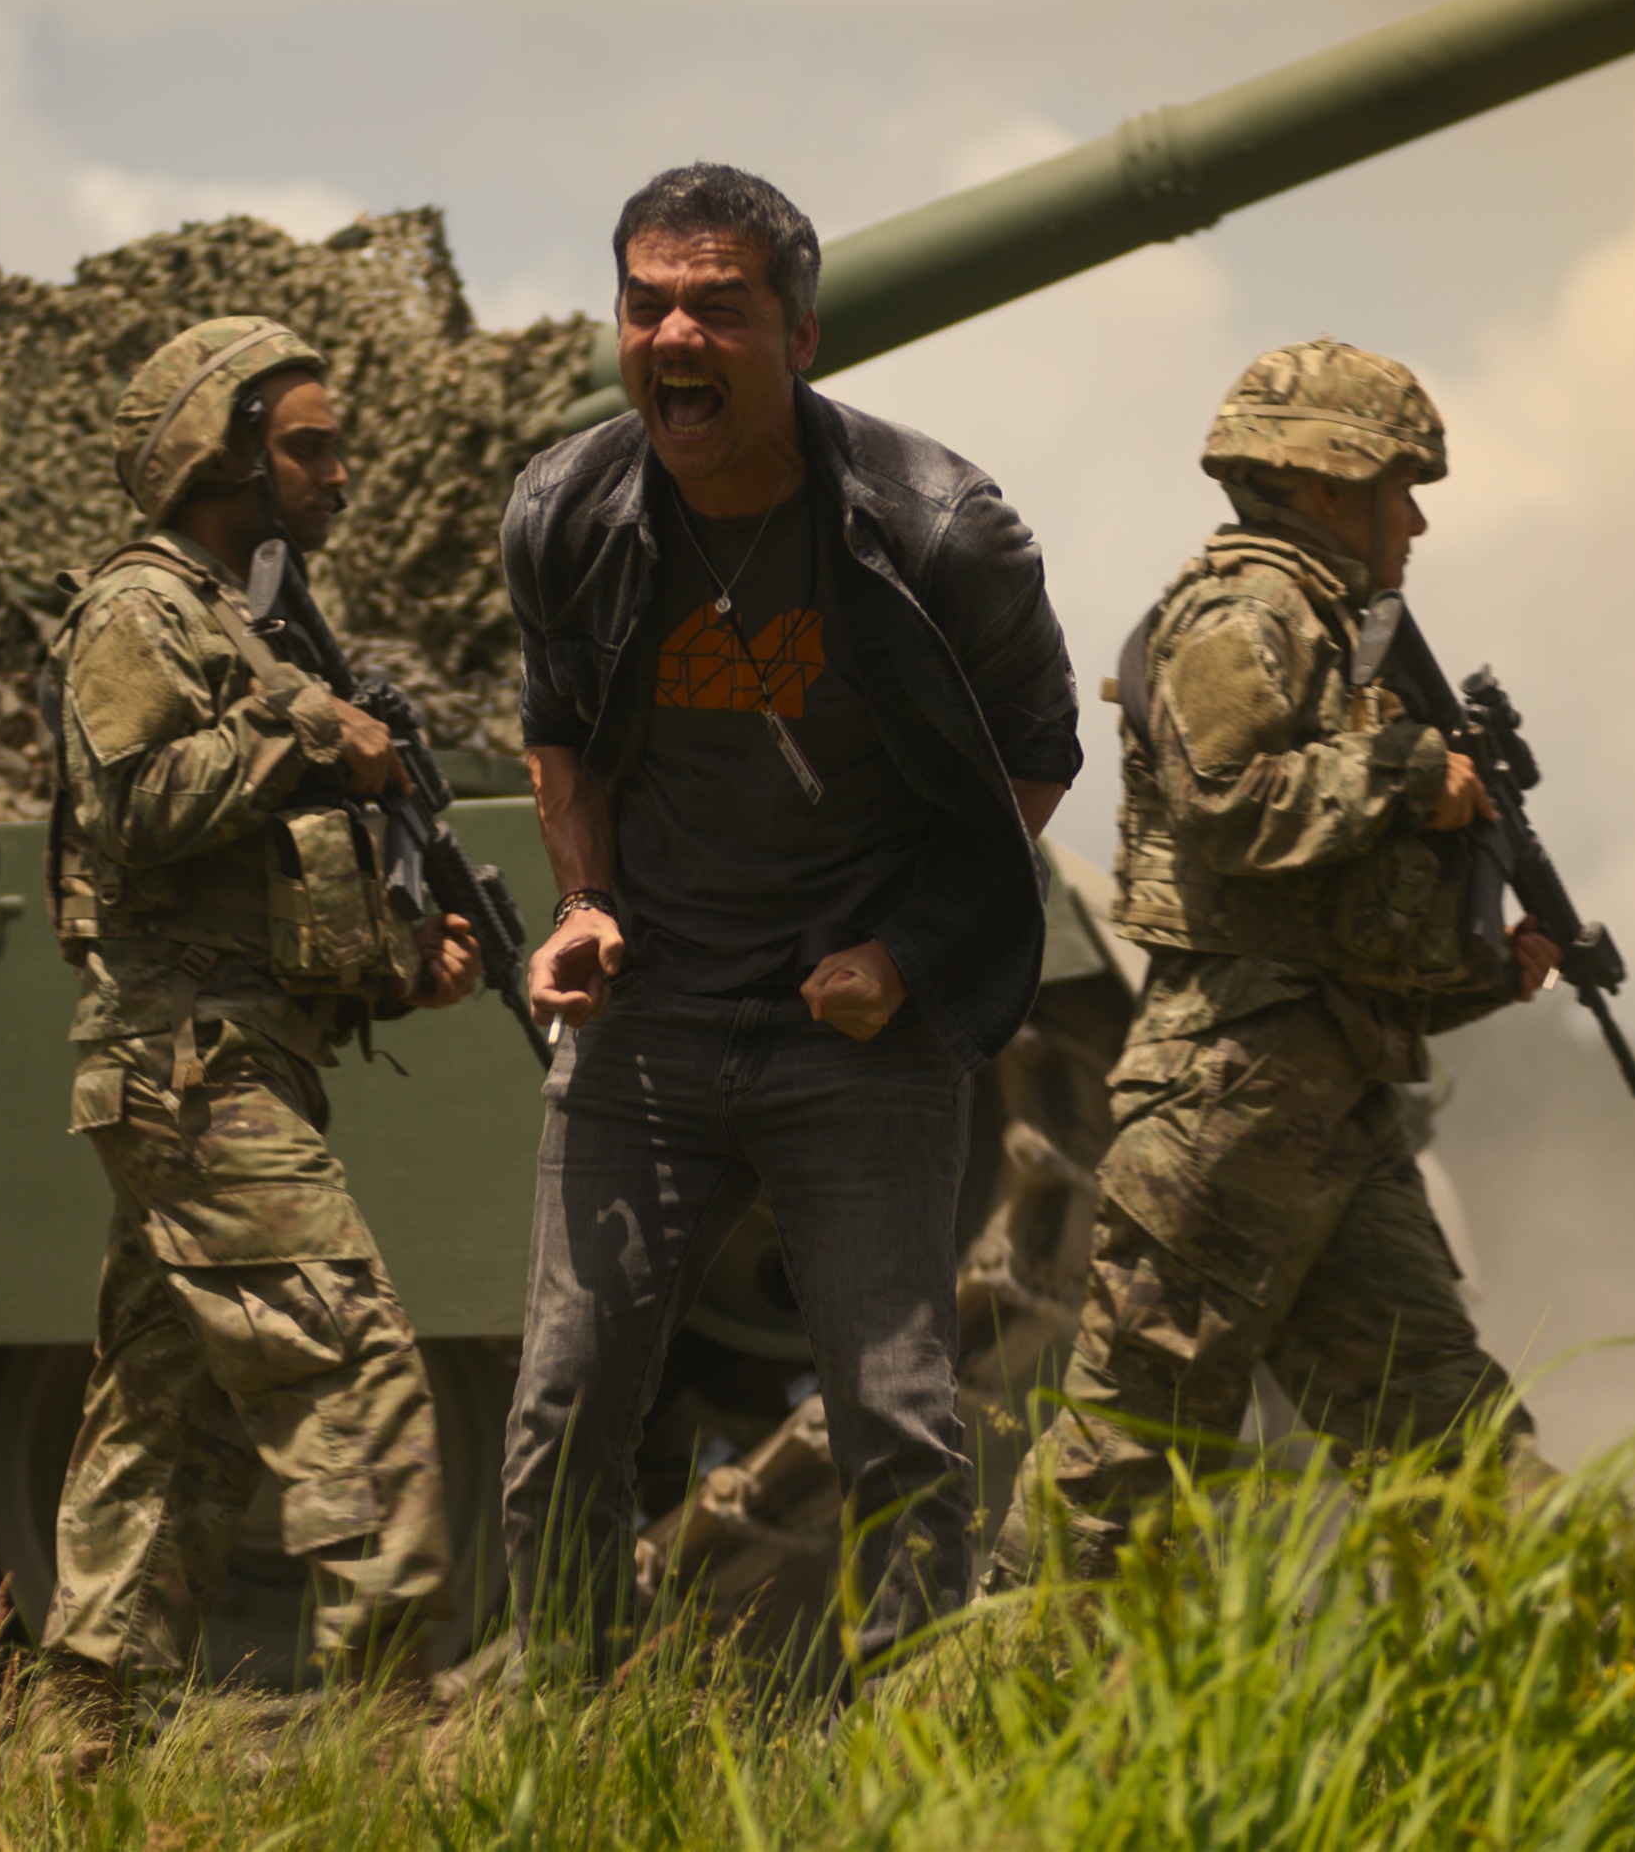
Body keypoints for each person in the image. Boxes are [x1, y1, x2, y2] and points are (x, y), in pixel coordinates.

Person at [495, 163, 1081, 1669]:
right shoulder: (566, 509)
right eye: (646, 303)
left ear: (801, 334)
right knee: (564, 1400)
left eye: (719, 307)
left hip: (855, 1030)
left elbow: (1038, 751)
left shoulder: (940, 527)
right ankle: (568, 1736)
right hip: (651, 1019)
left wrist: (909, 953)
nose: (674, 335)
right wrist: (583, 900)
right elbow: (557, 722)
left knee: (896, 1410)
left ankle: (906, 1737)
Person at [987, 340, 1559, 1589]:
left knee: (1445, 1431)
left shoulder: (1328, 626)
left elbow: (1329, 925)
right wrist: (1410, 774)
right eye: (1399, 488)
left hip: (1316, 1101)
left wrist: (1477, 970)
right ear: (1325, 481)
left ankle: (1596, 1699)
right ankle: (962, 1729)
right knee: (1127, 1451)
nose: (1412, 521)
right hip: (1227, 1098)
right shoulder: (1251, 611)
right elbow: (1232, 810)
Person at [38, 316, 484, 1712]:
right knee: (354, 1376)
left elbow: (247, 883)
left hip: (230, 1057)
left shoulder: (237, 620)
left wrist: (399, 961)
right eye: (309, 444)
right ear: (221, 451)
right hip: (194, 1068)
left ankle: (76, 1767)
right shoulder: (140, 608)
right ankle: (391, 1744)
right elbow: (130, 807)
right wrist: (309, 734)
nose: (338, 472)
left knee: (169, 1432)